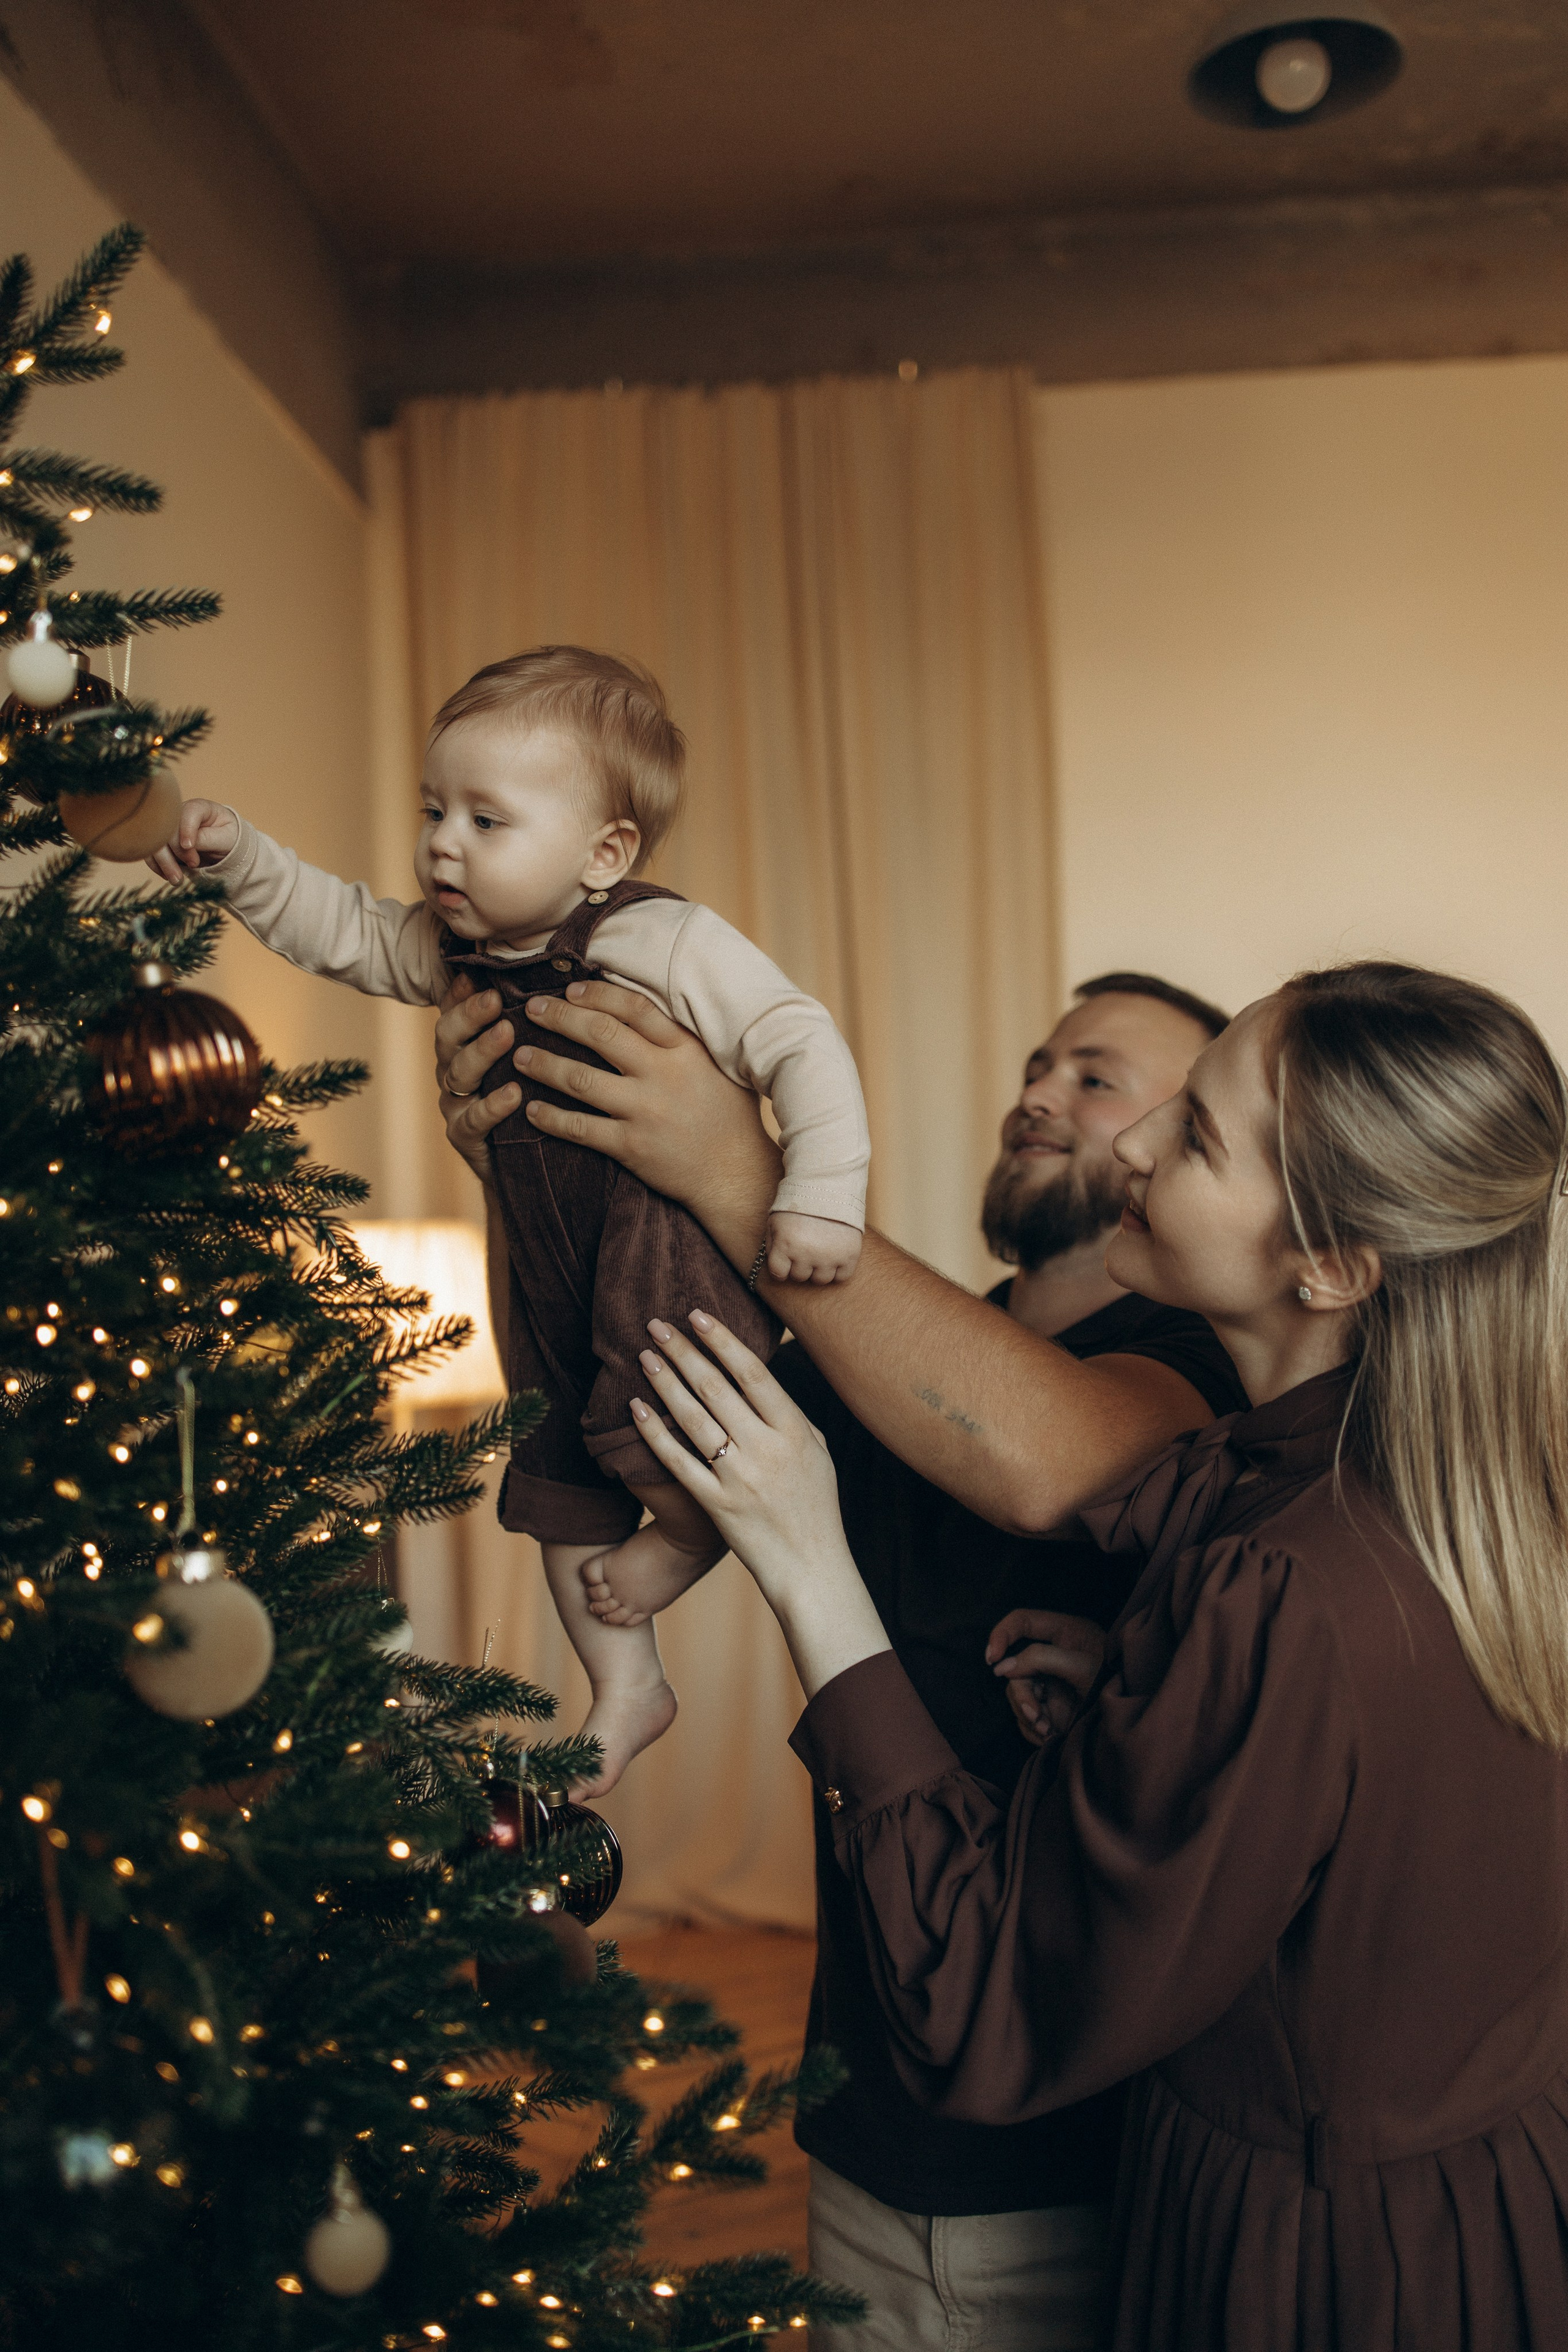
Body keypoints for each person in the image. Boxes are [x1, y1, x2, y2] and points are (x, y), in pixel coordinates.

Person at [603, 961, 1568, 2351]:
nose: (1129, 1142)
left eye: (1194, 1134)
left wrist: (807, 1564)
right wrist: (1152, 1696)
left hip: (1309, 2269)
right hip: (1487, 2212)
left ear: (1332, 1264)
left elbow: (987, 2010)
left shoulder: (1280, 1577)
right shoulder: (1453, 1490)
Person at [434, 970, 1248, 2348]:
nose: (1037, 1092)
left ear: (1180, 1149)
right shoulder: (896, 1340)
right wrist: (531, 1161)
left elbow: (1051, 1461)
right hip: (869, 2101)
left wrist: (732, 1161)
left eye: (1096, 1076)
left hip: (1074, 2150)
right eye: (1039, 1061)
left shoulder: (1201, 1366)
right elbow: (618, 1371)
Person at [146, 646, 870, 1793]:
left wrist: (822, 1198)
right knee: (548, 1463)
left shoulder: (661, 942)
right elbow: (338, 926)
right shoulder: (451, 953)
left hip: (657, 1243)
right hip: (533, 1256)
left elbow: (800, 1040)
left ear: (605, 853)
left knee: (670, 1403)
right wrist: (242, 862)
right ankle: (627, 1680)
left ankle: (687, 1535)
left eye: (488, 820)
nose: (443, 842)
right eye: (435, 809)